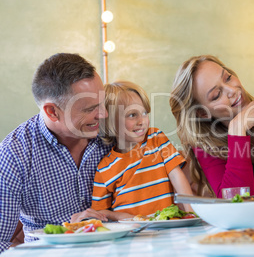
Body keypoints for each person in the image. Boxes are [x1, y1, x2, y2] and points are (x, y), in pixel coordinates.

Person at [0, 53, 112, 253]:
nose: (103, 114)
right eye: (90, 109)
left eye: (102, 103)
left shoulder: (112, 134)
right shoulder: (14, 154)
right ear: (52, 111)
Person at [169, 55, 254, 198]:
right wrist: (238, 130)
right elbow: (234, 200)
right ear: (202, 113)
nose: (232, 90)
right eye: (217, 95)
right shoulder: (207, 147)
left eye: (228, 78)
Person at [91, 81, 193, 220]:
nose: (142, 121)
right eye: (132, 115)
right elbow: (100, 212)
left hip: (168, 226)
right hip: (133, 233)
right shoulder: (104, 168)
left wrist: (191, 212)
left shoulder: (156, 138)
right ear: (111, 122)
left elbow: (176, 176)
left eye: (144, 113)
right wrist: (125, 218)